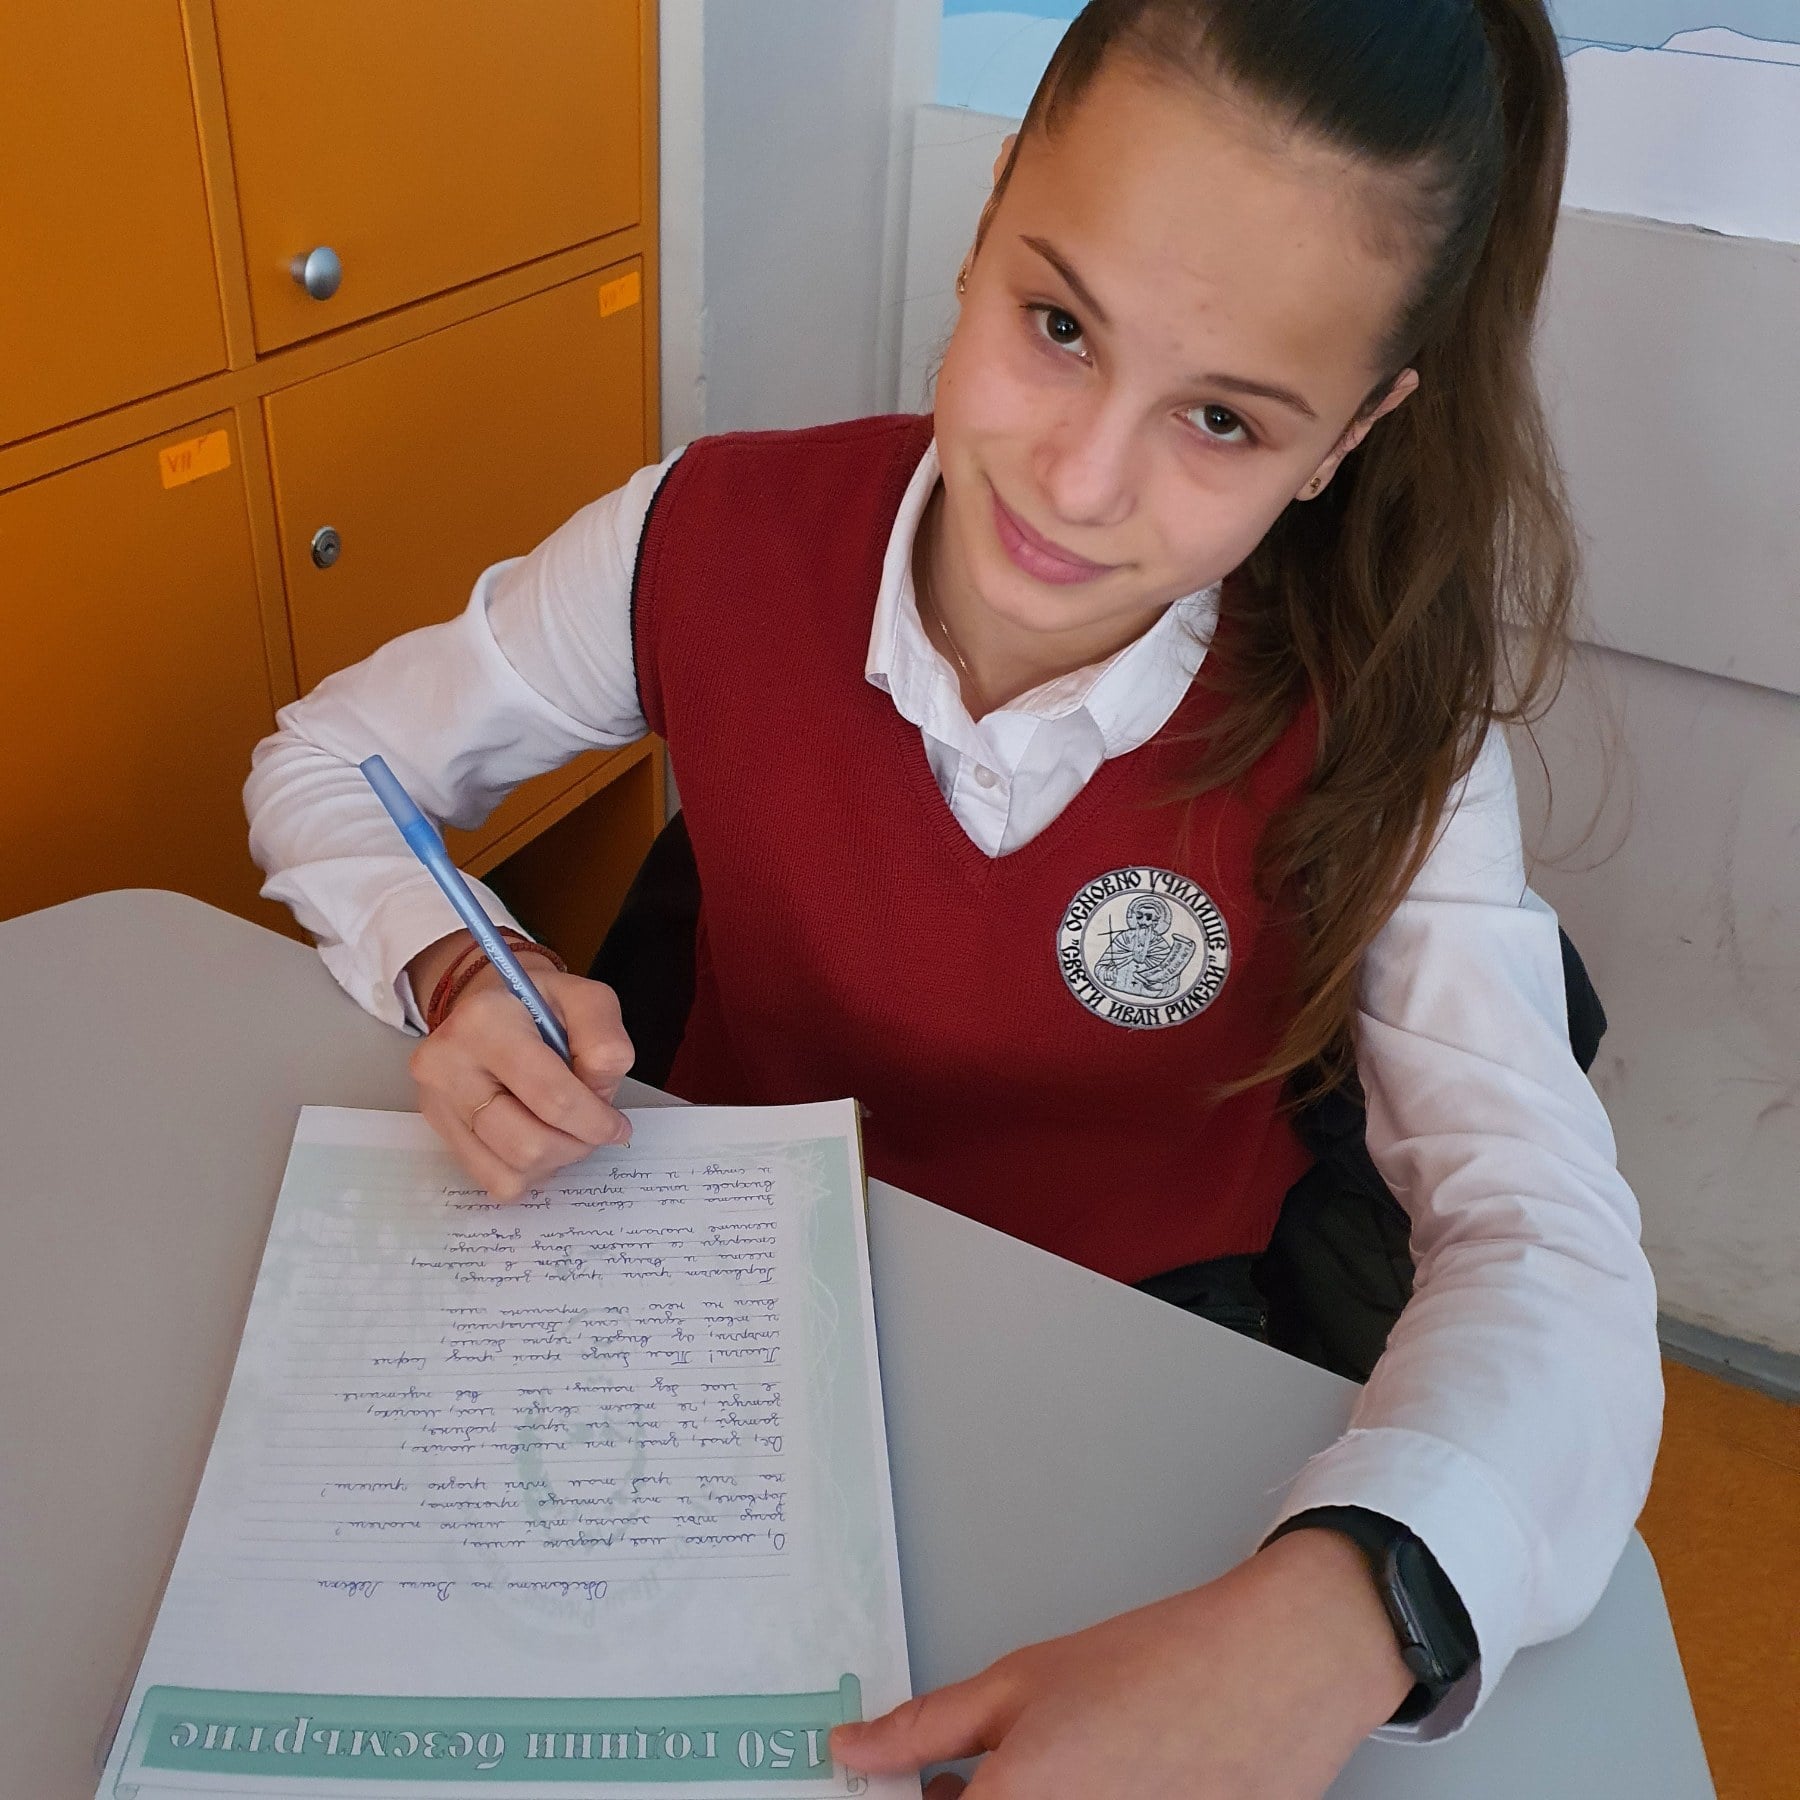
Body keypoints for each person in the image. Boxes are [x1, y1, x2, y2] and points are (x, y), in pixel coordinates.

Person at [244, 0, 1662, 1792]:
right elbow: (328, 763)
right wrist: (463, 965)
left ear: (1348, 435)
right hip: (711, 1311)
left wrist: (1336, 1618)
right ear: (988, 219)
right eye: (1057, 325)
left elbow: (1548, 1243)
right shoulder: (702, 537)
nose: (1079, 482)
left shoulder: (1387, 722)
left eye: (1222, 418)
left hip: (1137, 1347)